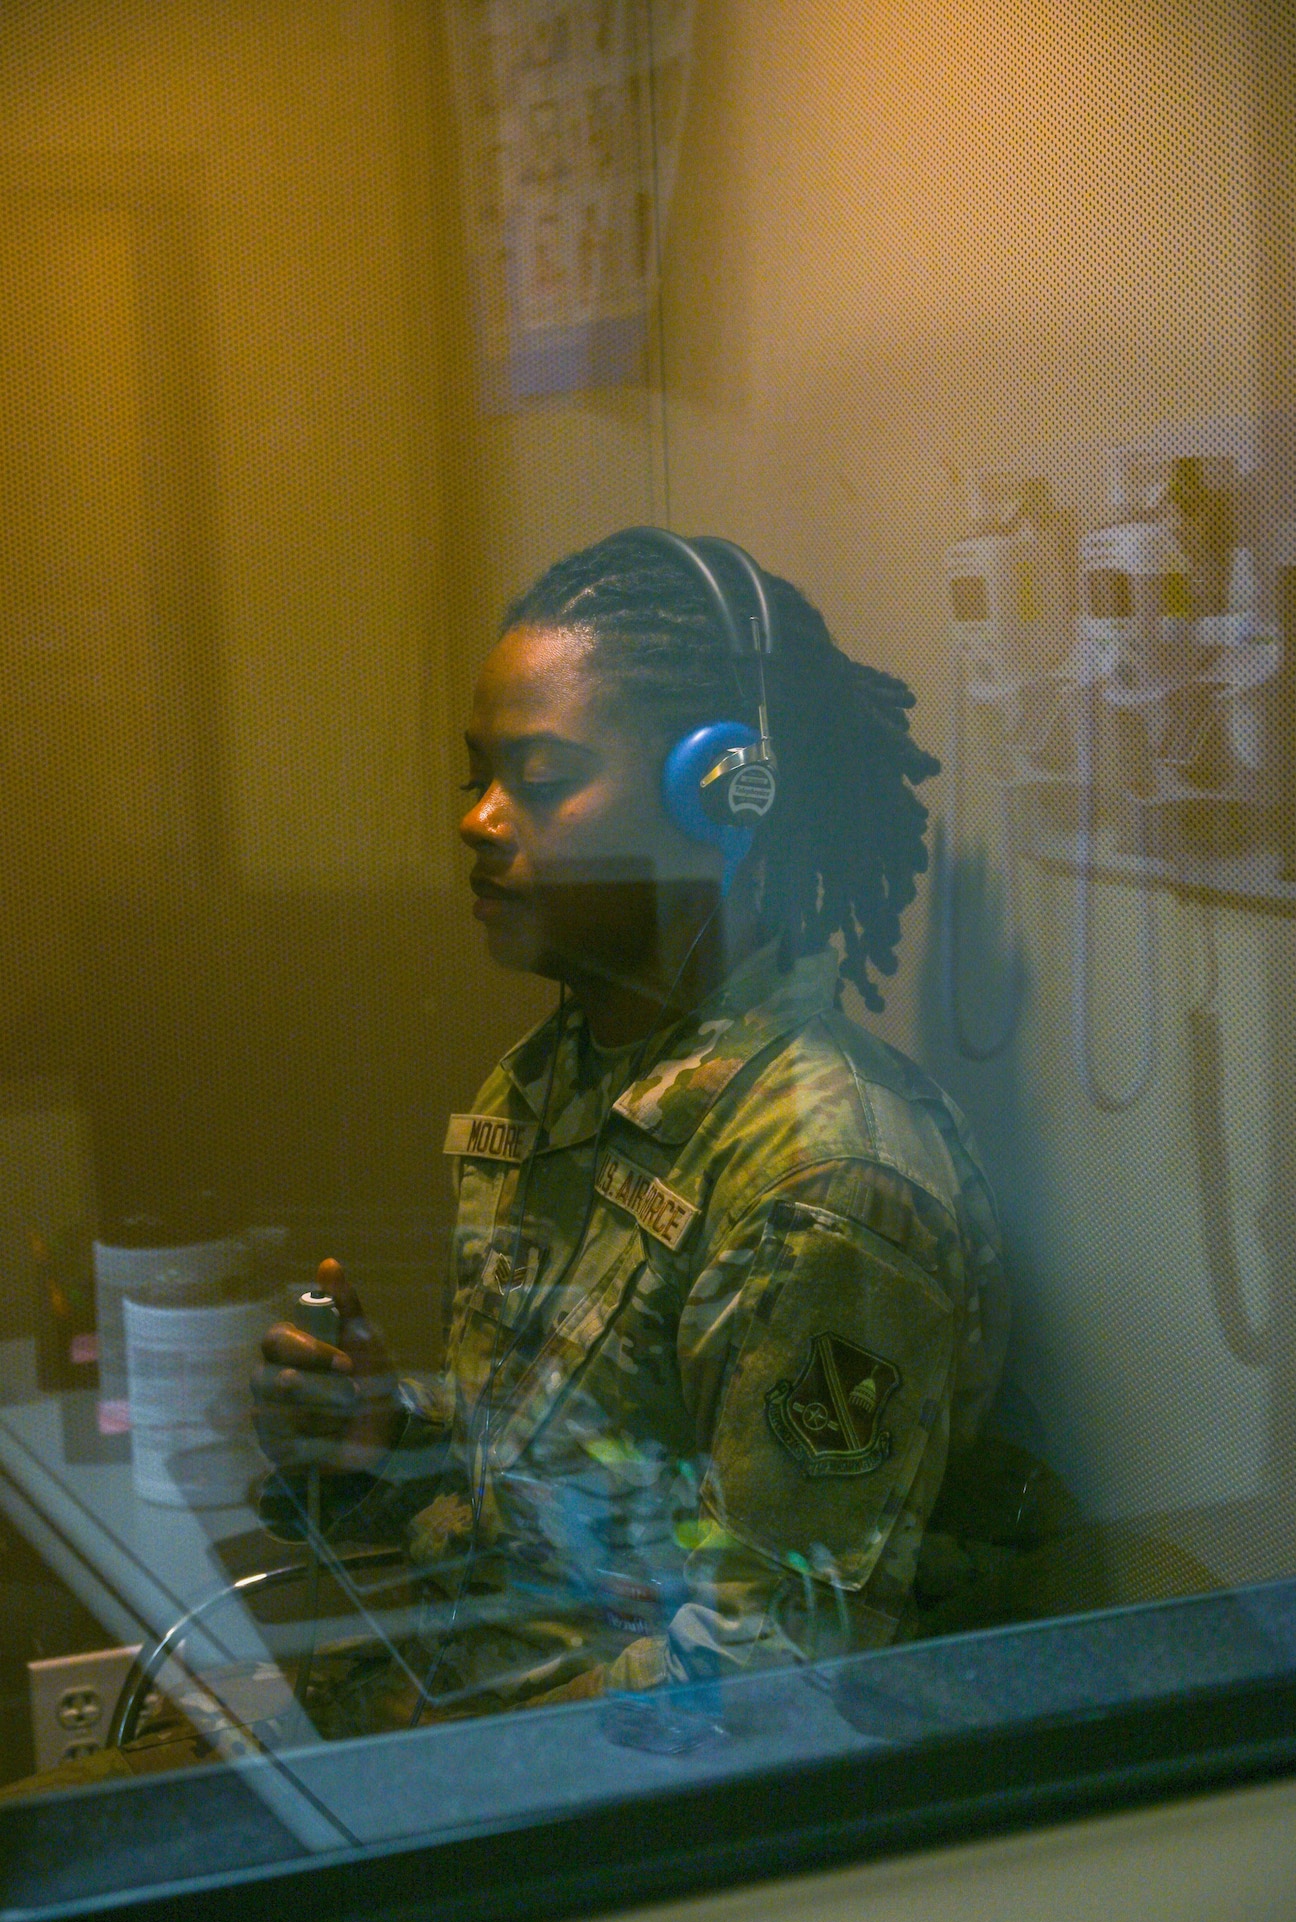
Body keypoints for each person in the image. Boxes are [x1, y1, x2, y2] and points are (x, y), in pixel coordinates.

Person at [250, 529, 1010, 1719]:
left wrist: (442, 1757)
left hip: (566, 1821)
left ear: (719, 790)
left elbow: (778, 1664)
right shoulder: (560, 1080)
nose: (481, 820)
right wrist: (377, 1443)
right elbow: (558, 1516)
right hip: (427, 1723)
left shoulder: (824, 1176)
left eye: (540, 781)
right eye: (477, 778)